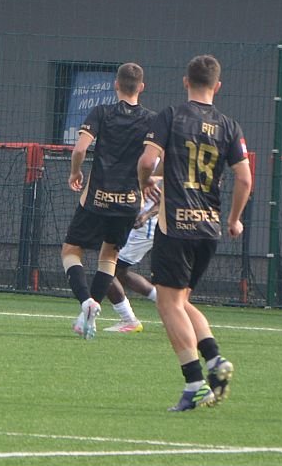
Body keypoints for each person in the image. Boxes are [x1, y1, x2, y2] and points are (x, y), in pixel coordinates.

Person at [138, 54, 251, 412]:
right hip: (208, 227)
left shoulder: (171, 115)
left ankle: (194, 384)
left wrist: (145, 183)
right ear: (218, 86)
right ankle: (215, 359)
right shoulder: (230, 126)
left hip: (176, 225)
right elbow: (245, 179)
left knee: (168, 303)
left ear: (186, 81)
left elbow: (147, 161)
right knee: (182, 301)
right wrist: (234, 219)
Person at [62, 63, 154, 340]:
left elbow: (80, 149)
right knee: (109, 257)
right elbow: (154, 160)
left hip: (97, 198)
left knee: (71, 250)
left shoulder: (102, 112)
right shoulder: (152, 120)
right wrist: (146, 183)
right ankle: (89, 312)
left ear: (116, 84)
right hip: (129, 201)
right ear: (141, 87)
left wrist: (75, 172)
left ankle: (86, 302)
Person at [103, 183, 161, 333]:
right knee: (120, 273)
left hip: (143, 227)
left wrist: (146, 215)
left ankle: (129, 320)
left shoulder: (159, 170)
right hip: (132, 223)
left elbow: (168, 198)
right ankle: (168, 303)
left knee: (106, 271)